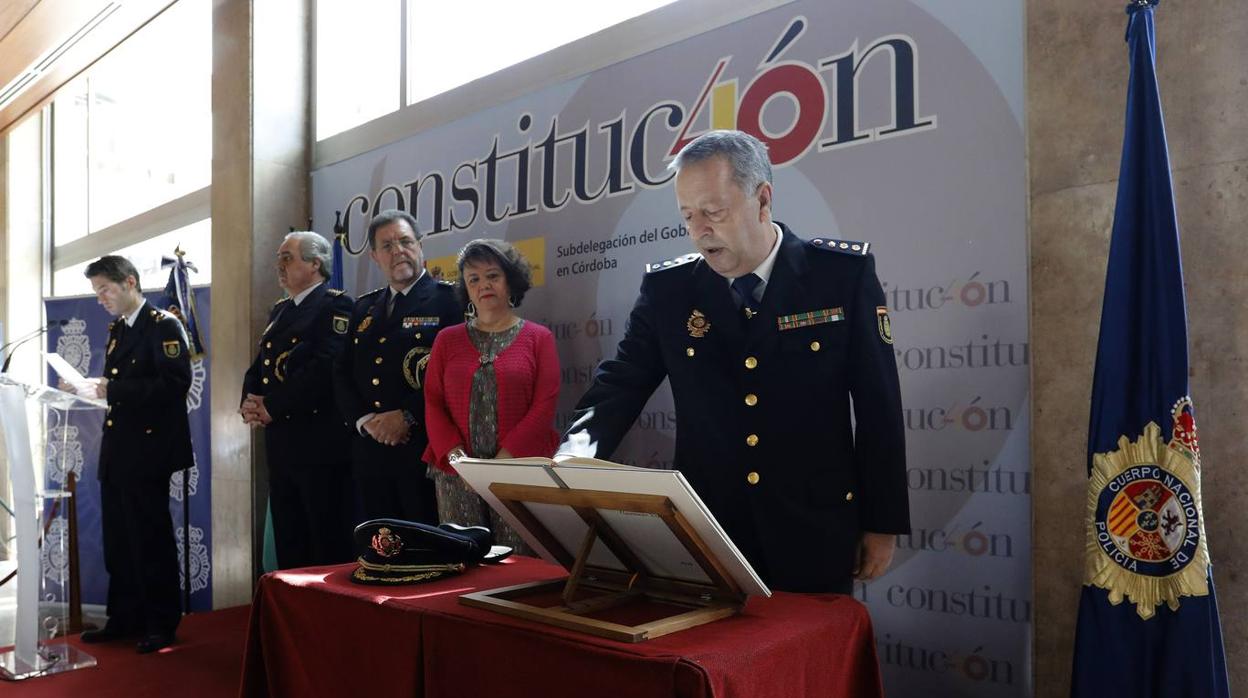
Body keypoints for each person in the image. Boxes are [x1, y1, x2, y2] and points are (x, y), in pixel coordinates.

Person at [558, 130, 909, 594]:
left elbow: (878, 405)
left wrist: (881, 522)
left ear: (762, 199)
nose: (699, 230)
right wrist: (577, 451)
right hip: (709, 531)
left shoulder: (839, 276)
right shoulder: (670, 291)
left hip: (813, 529)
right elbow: (621, 384)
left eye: (713, 212)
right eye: (687, 216)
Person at [77, 255, 191, 653]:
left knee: (150, 538)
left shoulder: (164, 325)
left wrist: (113, 390)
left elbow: (175, 383)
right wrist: (95, 388)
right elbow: (118, 385)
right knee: (119, 540)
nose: (101, 298)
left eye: (104, 289)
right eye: (97, 292)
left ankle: (160, 622)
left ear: (129, 282)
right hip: (119, 449)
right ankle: (124, 617)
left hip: (149, 449)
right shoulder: (119, 330)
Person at [422, 239, 560, 553]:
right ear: (466, 290)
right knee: (463, 561)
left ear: (510, 280)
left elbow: (544, 406)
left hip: (518, 473)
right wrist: (462, 464)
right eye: (474, 279)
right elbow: (433, 403)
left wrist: (498, 468)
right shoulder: (446, 340)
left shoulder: (539, 338)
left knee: (520, 564)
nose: (484, 285)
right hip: (457, 474)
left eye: (492, 276)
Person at [333, 210, 461, 523]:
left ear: (420, 244)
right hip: (370, 452)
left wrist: (407, 415)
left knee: (425, 549)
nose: (398, 251)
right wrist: (365, 421)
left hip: (422, 447)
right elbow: (341, 371)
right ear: (374, 256)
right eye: (387, 246)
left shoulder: (450, 300)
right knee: (381, 549)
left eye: (405, 241)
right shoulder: (364, 307)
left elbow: (456, 371)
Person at [240, 231, 354, 568]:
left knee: (324, 544)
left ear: (315, 263)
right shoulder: (281, 309)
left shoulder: (336, 304)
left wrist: (272, 406)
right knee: (290, 544)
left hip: (319, 445)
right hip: (282, 445)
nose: (279, 265)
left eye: (287, 257)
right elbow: (261, 363)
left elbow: (325, 368)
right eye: (279, 257)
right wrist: (249, 400)